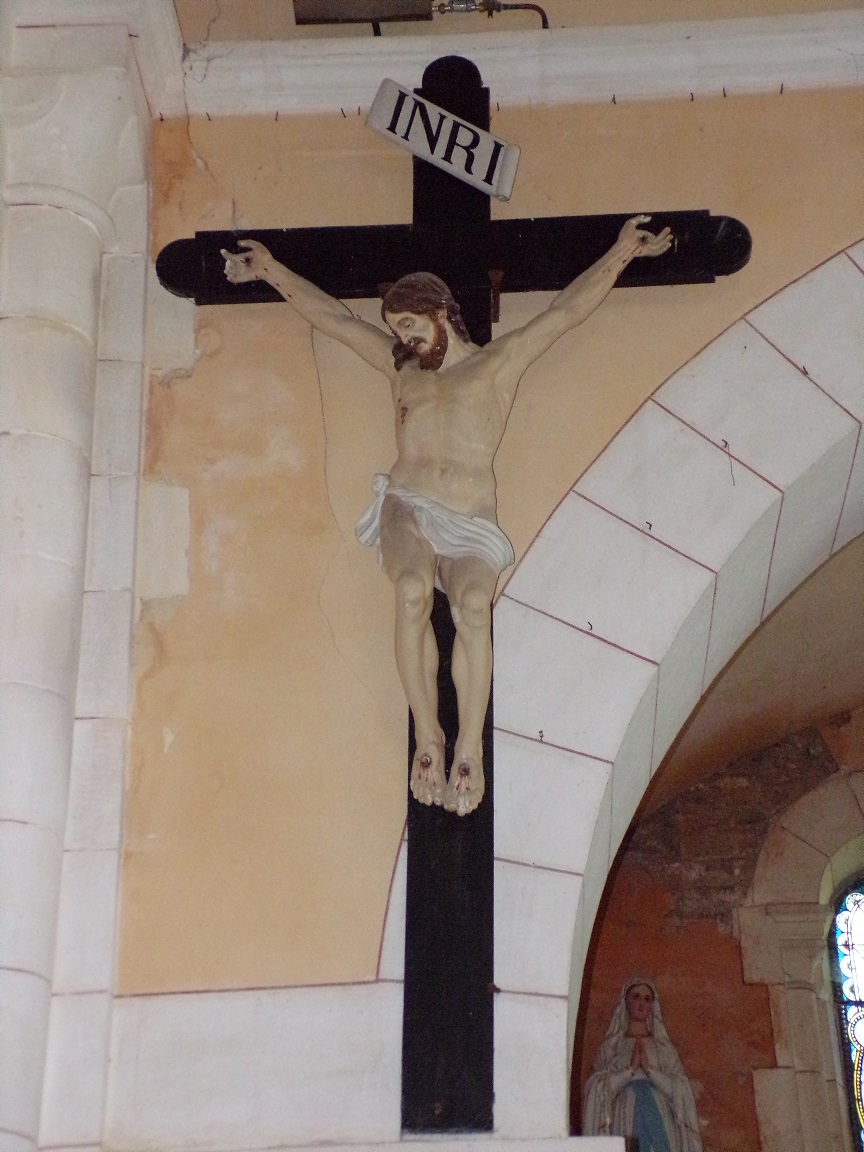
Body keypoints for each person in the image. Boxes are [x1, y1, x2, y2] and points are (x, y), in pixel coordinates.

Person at [221, 216, 671, 816]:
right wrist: (271, 269)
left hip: (470, 521)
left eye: (409, 326)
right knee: (410, 589)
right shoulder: (400, 368)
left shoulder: (496, 365)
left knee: (473, 608)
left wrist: (621, 254)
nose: (402, 340)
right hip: (407, 505)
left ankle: (468, 745)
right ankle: (427, 732)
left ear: (441, 315)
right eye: (395, 330)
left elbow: (565, 313)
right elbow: (333, 318)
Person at [583, 977, 703, 1152]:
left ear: (653, 1006)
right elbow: (596, 1090)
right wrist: (629, 1071)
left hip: (660, 1118)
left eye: (647, 999)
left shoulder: (664, 1049)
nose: (641, 1003)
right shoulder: (611, 1047)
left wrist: (650, 1071)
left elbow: (681, 1089)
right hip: (624, 1118)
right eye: (636, 997)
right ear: (625, 1002)